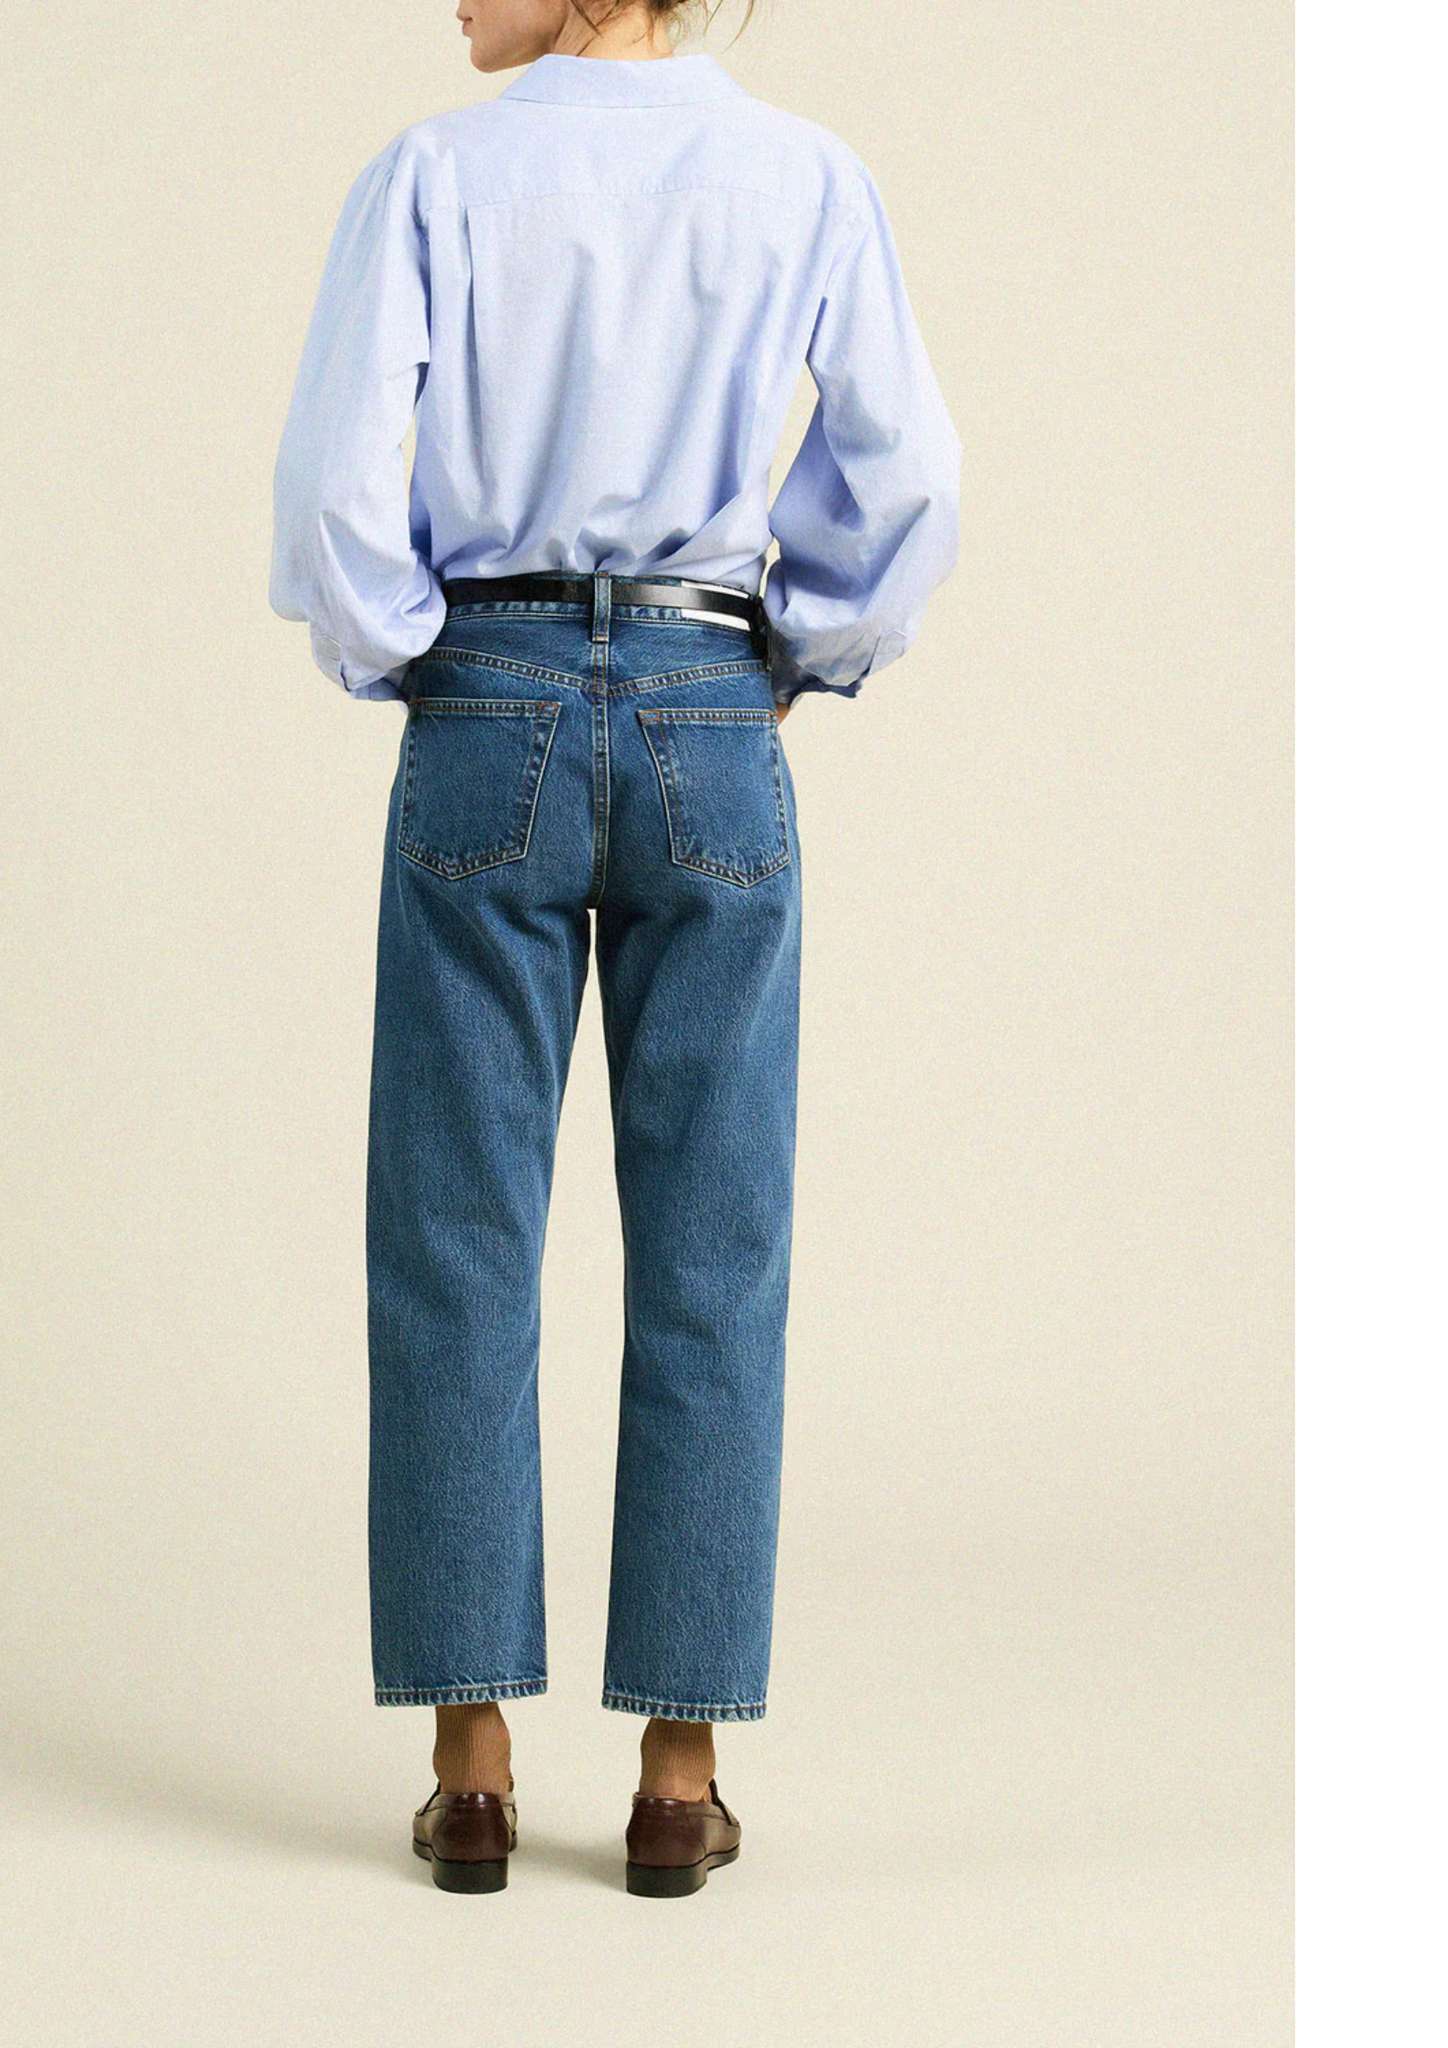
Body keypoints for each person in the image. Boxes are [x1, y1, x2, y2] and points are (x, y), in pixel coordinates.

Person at [268, 0, 960, 1896]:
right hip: (706, 696)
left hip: (483, 690)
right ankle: (675, 1775)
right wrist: (787, 655)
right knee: (717, 1252)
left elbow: (335, 487)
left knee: (455, 1240)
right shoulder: (805, 177)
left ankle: (472, 1767)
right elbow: (905, 479)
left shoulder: (432, 174)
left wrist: (422, 658)